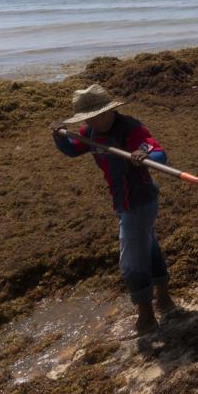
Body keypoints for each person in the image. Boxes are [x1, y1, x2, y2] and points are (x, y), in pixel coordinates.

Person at [50, 84, 174, 335]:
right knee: (148, 247)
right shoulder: (91, 132)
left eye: (100, 115)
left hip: (139, 201)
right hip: (122, 200)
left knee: (131, 261)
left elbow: (159, 155)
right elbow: (74, 150)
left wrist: (141, 154)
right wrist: (60, 137)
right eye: (90, 118)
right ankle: (164, 300)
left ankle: (146, 319)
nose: (96, 121)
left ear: (110, 110)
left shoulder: (130, 128)